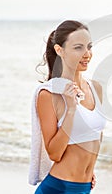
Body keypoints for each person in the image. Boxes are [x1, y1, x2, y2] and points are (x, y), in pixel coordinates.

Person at [31, 20, 106, 194]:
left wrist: (88, 170)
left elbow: (94, 137)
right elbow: (55, 154)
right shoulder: (48, 95)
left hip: (85, 187)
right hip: (60, 188)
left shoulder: (96, 88)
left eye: (89, 46)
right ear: (60, 50)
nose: (87, 54)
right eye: (78, 48)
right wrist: (71, 109)